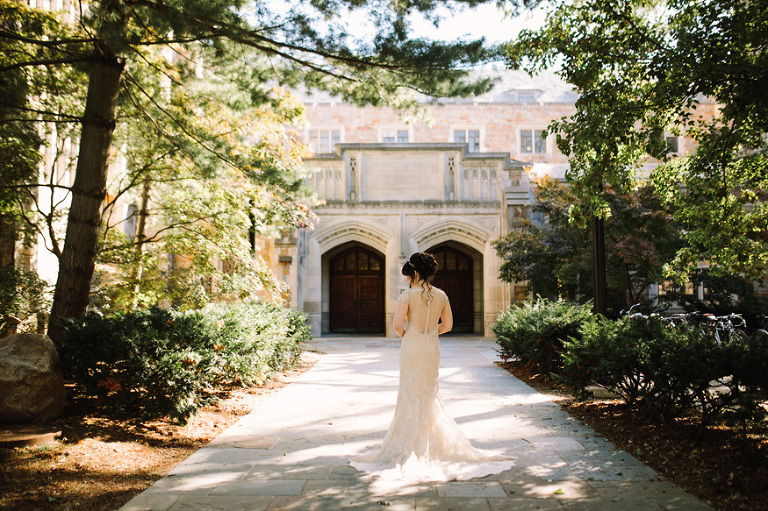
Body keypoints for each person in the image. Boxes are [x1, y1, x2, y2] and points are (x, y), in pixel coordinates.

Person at [349, 252, 515, 481]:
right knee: (429, 393)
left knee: (409, 393)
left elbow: (397, 325)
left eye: (408, 276)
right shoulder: (442, 295)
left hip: (412, 346)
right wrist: (428, 333)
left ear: (414, 273)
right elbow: (447, 325)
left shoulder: (407, 295)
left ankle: (412, 447)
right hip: (431, 348)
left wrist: (409, 335)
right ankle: (430, 443)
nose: (408, 280)